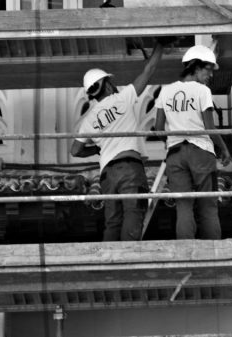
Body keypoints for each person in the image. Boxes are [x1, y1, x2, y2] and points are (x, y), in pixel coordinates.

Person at [71, 41, 165, 242]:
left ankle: (109, 263)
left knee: (113, 221)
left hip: (107, 175)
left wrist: (96, 150)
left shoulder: (88, 119)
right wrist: (161, 44)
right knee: (133, 212)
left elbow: (75, 150)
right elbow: (149, 71)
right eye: (110, 82)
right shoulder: (123, 98)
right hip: (129, 168)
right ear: (106, 84)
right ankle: (128, 257)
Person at [154, 45, 232, 240]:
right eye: (208, 70)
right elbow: (209, 127)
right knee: (208, 205)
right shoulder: (202, 91)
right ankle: (213, 253)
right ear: (196, 67)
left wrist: (173, 139)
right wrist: (224, 149)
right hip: (200, 151)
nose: (210, 76)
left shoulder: (165, 91)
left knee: (183, 206)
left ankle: (186, 252)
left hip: (175, 154)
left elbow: (158, 128)